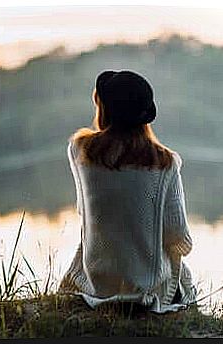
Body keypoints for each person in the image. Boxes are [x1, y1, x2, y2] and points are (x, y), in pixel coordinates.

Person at [58, 70, 197, 313]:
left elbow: (85, 211)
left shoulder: (79, 150)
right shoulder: (166, 163)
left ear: (105, 110)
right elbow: (179, 238)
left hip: (97, 282)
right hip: (146, 289)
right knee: (180, 274)